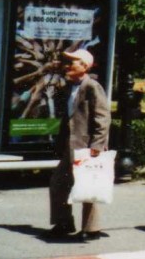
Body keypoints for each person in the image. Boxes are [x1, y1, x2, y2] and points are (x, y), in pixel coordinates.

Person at [46, 49, 111, 242]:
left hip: (87, 145)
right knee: (59, 183)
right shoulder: (69, 87)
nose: (67, 66)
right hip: (71, 145)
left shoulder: (92, 86)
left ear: (84, 66)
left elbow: (103, 116)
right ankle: (63, 223)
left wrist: (98, 144)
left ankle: (91, 229)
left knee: (88, 186)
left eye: (72, 63)